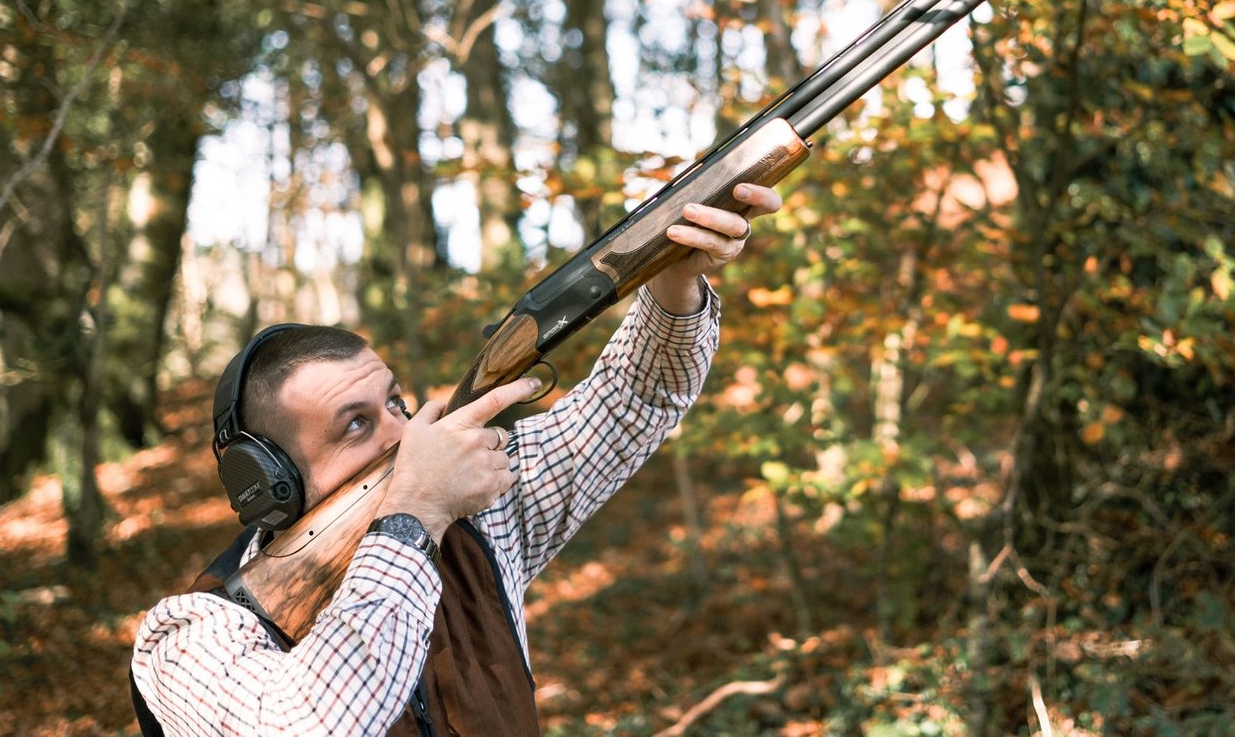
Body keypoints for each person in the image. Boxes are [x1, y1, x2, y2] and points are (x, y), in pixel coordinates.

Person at [131, 183, 782, 736]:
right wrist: (414, 514)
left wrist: (672, 280)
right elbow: (311, 725)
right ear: (269, 482)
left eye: (396, 402)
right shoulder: (191, 637)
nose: (409, 433)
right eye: (356, 425)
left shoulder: (476, 517)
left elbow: (636, 401)